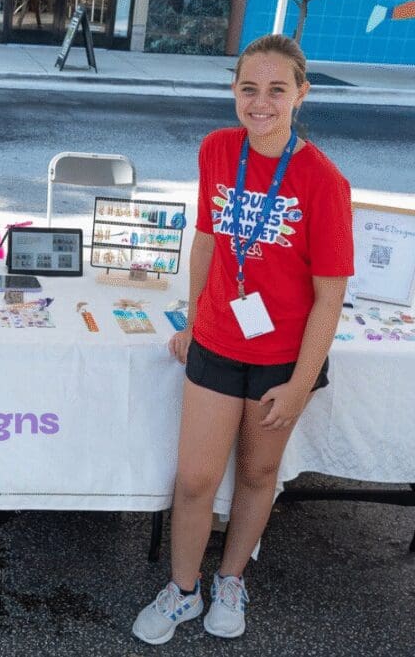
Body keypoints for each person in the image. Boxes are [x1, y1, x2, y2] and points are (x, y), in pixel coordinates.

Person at [132, 33, 353, 645]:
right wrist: (193, 318)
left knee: (258, 474)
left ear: (300, 94)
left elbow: (329, 296)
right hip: (219, 345)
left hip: (282, 360)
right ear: (234, 91)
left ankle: (231, 578)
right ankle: (183, 589)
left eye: (276, 90)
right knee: (197, 479)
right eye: (248, 88)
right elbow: (207, 239)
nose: (261, 102)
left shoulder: (324, 181)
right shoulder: (216, 150)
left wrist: (302, 384)